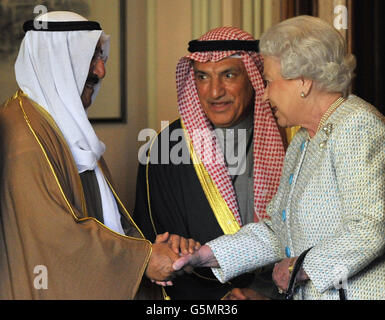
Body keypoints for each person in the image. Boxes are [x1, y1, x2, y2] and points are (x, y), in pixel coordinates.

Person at [173, 15, 385, 300]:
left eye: (270, 82)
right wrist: (203, 256)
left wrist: (302, 267)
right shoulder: (301, 140)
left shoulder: (357, 125)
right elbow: (277, 231)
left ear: (303, 82)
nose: (264, 95)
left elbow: (372, 227)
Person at [0, 11, 197, 300]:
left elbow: (104, 216)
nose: (101, 71)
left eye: (101, 57)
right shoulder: (22, 134)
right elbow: (57, 240)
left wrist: (145, 248)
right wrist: (142, 259)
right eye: (91, 58)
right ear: (57, 62)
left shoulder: (60, 124)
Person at [133, 26, 286, 300]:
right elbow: (154, 240)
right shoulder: (167, 146)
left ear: (254, 77)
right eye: (203, 77)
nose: (215, 92)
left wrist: (262, 291)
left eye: (229, 75)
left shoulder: (289, 135)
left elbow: (304, 230)